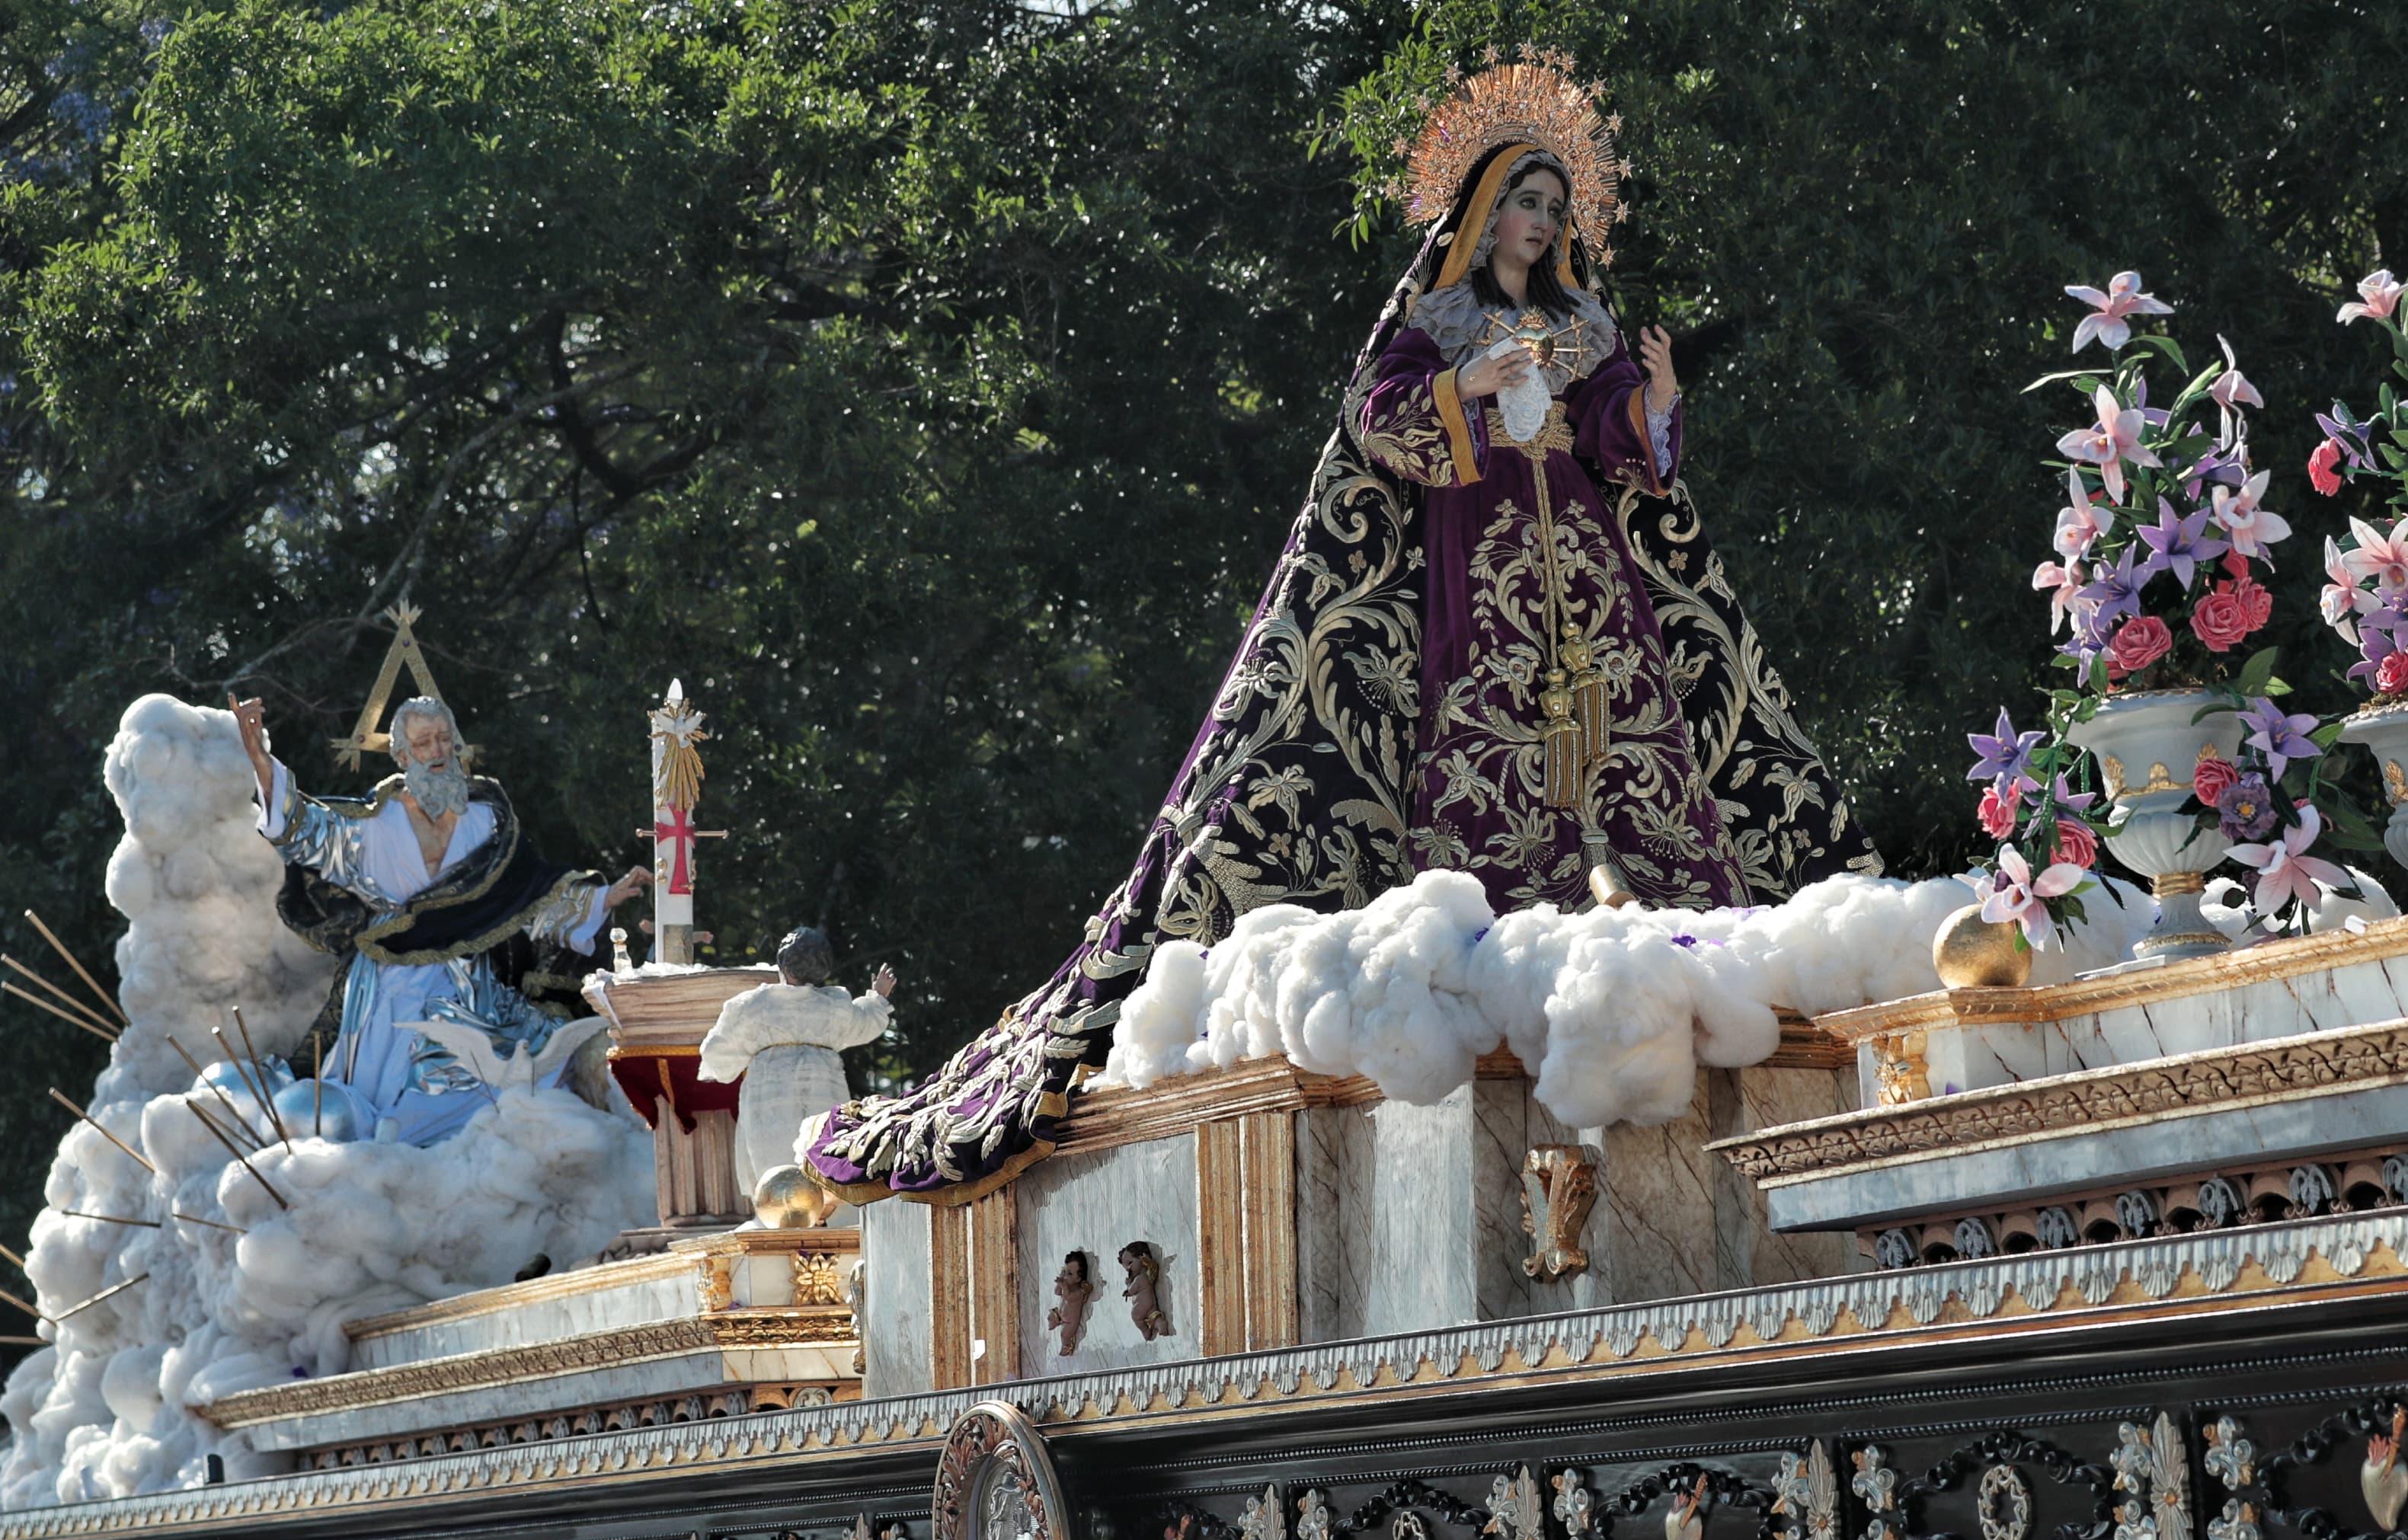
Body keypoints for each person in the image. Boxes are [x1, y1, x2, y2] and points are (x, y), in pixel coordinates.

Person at [796, 58, 1872, 1205]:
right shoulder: (1439, 318)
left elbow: (1618, 446)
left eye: (1555, 210)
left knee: (1631, 740)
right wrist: (1468, 386)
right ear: (1483, 215)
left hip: (1594, 579)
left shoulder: (1584, 324)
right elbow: (1376, 417)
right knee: (1492, 736)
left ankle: (1677, 946)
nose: (1541, 224)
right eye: (1525, 204)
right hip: (1482, 560)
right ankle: (1489, 948)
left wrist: (1652, 404)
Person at [235, 691, 647, 1145]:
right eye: (424, 743)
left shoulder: (487, 821)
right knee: (382, 1106)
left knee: (514, 1087)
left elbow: (528, 894)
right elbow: (301, 831)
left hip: (470, 987)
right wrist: (260, 759)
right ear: (400, 754)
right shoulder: (373, 825)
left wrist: (603, 898)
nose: (436, 752)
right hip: (390, 990)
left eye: (444, 740)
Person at [698, 928, 897, 1192]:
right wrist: (878, 995)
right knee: (825, 1161)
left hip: (768, 1098)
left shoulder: (752, 1005)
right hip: (825, 1093)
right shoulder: (834, 1006)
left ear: (781, 963)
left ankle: (778, 1220)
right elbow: (866, 1022)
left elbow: (715, 1052)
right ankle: (828, 1221)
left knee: (775, 1175)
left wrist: (741, 1058)